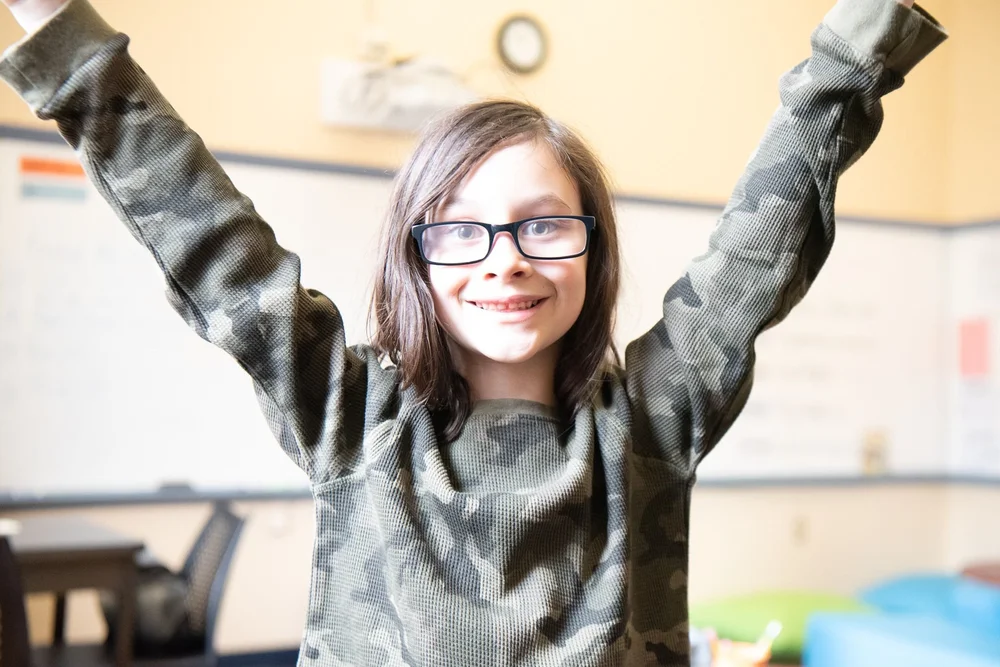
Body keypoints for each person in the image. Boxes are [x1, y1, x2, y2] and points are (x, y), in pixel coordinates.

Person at [0, 0, 946, 664]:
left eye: (544, 225)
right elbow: (208, 237)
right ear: (416, 257)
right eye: (459, 231)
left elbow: (762, 241)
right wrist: (58, 28)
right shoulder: (351, 413)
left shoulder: (649, 425)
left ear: (593, 247)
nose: (505, 261)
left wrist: (863, 38)